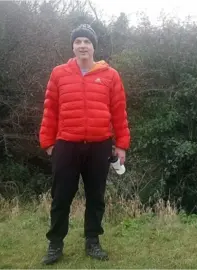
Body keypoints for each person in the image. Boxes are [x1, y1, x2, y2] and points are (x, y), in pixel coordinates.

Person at [38, 24, 130, 264]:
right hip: (66, 145)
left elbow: (119, 113)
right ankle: (55, 244)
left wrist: (121, 145)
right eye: (78, 41)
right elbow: (50, 110)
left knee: (96, 197)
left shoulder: (110, 75)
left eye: (86, 42)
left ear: (93, 46)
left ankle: (93, 242)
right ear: (73, 46)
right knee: (61, 197)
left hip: (100, 146)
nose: (82, 45)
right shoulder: (59, 73)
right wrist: (48, 142)